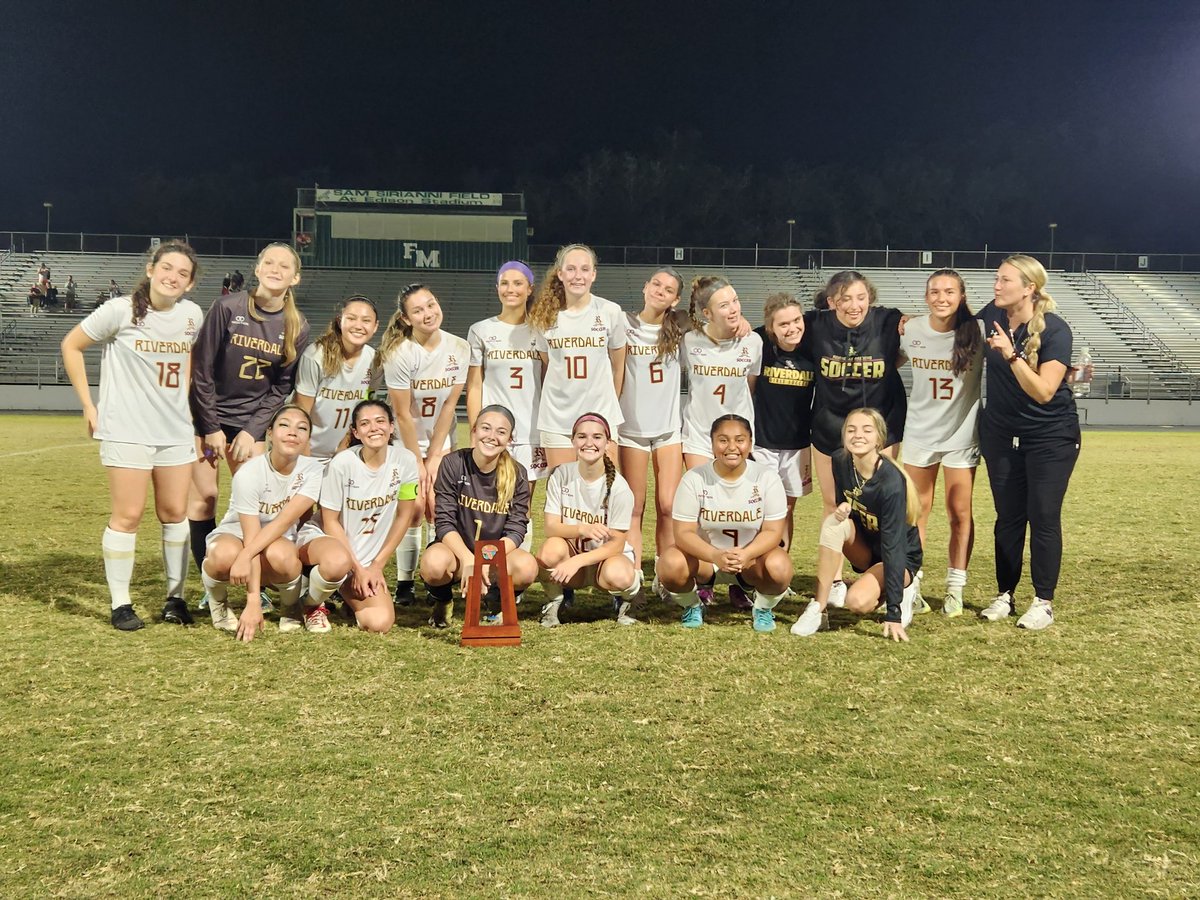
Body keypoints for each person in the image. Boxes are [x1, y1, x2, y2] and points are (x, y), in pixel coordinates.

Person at [59, 240, 204, 631]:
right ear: (151, 268)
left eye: (182, 273)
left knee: (175, 514)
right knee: (128, 515)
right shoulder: (119, 310)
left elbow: (188, 364)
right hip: (127, 429)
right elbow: (71, 345)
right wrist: (90, 406)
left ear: (190, 284)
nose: (173, 277)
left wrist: (191, 415)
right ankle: (121, 603)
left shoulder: (192, 315)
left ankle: (176, 598)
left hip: (174, 431)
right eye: (167, 268)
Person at [188, 242, 310, 604]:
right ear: (257, 269)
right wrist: (211, 426)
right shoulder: (227, 307)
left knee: (257, 505)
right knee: (204, 500)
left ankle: (260, 583)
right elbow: (202, 370)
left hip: (251, 423)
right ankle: (209, 585)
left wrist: (251, 430)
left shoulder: (296, 325)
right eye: (269, 263)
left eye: (284, 266)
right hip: (207, 417)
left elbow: (281, 387)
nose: (275, 269)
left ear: (295, 277)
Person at [976, 255, 1080, 631]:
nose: (996, 286)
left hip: (1050, 436)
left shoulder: (1055, 330)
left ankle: (1043, 602)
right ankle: (1005, 594)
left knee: (1044, 516)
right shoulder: (993, 313)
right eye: (997, 279)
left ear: (1028, 288)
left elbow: (1044, 391)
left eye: (1004, 280)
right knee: (1008, 518)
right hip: (1002, 435)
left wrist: (1012, 355)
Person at [791, 408, 923, 642]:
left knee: (857, 602)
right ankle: (818, 609)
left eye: (867, 430)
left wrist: (894, 612)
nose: (858, 435)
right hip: (866, 549)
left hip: (897, 557)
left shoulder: (891, 482)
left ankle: (905, 590)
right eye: (851, 430)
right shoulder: (840, 460)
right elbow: (849, 499)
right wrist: (843, 508)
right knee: (833, 523)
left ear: (879, 440)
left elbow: (893, 547)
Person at [656, 414, 793, 632]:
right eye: (723, 440)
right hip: (706, 561)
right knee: (670, 563)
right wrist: (714, 556)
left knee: (780, 566)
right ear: (712, 444)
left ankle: (763, 608)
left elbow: (773, 531)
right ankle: (692, 605)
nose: (732, 447)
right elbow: (683, 533)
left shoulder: (767, 478)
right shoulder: (694, 478)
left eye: (739, 440)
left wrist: (747, 554)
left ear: (750, 443)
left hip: (749, 561)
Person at [380, 283, 470, 605]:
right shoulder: (399, 354)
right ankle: (404, 582)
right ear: (406, 319)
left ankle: (436, 581)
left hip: (442, 443)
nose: (428, 313)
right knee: (414, 507)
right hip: (407, 445)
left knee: (438, 505)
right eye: (418, 310)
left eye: (430, 305)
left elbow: (449, 406)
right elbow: (403, 415)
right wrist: (416, 461)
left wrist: (434, 458)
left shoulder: (459, 347)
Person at [200, 405, 324, 641]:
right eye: (284, 425)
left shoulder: (313, 471)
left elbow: (283, 522)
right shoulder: (249, 472)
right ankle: (217, 602)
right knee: (222, 555)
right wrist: (253, 599)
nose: (292, 432)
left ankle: (290, 607)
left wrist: (247, 557)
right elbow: (251, 535)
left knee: (283, 557)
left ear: (308, 437)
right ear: (269, 432)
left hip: (278, 536)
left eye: (302, 428)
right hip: (239, 533)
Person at [899, 269, 982, 617]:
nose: (941, 297)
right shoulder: (911, 329)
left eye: (949, 291)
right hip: (919, 432)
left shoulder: (975, 332)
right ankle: (913, 584)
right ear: (925, 296)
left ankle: (955, 588)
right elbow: (889, 362)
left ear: (961, 296)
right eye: (934, 291)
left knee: (959, 513)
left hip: (961, 436)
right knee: (917, 513)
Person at [297, 399, 420, 634]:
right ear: (355, 432)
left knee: (378, 623)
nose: (374, 428)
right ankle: (310, 604)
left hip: (365, 562)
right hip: (326, 543)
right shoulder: (342, 463)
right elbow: (330, 520)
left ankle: (337, 590)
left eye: (380, 421)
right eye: (364, 423)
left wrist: (376, 566)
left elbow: (404, 516)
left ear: (392, 426)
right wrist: (357, 569)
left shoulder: (405, 461)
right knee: (337, 562)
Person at [419, 405, 538, 628]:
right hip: (457, 552)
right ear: (473, 430)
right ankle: (443, 601)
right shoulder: (453, 463)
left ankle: (495, 603)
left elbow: (516, 529)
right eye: (486, 428)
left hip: (494, 555)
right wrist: (467, 558)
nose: (492, 437)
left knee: (527, 567)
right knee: (433, 564)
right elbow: (443, 522)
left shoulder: (517, 473)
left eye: (501, 432)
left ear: (509, 439)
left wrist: (486, 559)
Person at [805, 270, 907, 518]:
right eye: (845, 298)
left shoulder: (888, 322)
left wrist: (910, 320)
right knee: (833, 505)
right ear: (831, 302)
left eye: (861, 297)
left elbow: (921, 332)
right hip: (830, 426)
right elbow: (777, 329)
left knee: (879, 504)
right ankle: (831, 556)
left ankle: (880, 558)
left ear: (869, 298)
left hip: (881, 425)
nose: (854, 306)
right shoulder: (814, 324)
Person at [466, 260, 548, 544]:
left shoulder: (543, 331)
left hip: (530, 432)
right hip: (493, 434)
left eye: (517, 283)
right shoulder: (480, 330)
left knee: (521, 507)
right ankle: (486, 571)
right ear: (497, 287)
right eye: (504, 283)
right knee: (489, 504)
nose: (510, 289)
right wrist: (477, 427)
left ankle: (517, 577)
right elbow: (474, 383)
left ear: (529, 289)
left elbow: (549, 382)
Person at [537, 413, 641, 628]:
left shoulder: (619, 488)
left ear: (608, 443)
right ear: (573, 441)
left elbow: (617, 544)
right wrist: (581, 529)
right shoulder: (561, 474)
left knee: (618, 575)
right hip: (574, 558)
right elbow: (550, 527)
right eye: (582, 437)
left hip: (605, 562)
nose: (589, 443)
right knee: (549, 551)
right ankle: (555, 601)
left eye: (597, 437)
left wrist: (577, 561)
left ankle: (628, 598)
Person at [528, 244, 626, 468]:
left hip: (601, 416)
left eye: (584, 269)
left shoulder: (610, 312)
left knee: (602, 494)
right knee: (563, 492)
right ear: (560, 274)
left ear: (593, 274)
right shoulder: (546, 315)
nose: (577, 276)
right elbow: (548, 362)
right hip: (557, 418)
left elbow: (618, 366)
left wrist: (607, 405)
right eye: (571, 269)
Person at [617, 267, 687, 575]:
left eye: (668, 289)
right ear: (645, 288)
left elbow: (715, 321)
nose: (660, 290)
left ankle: (665, 572)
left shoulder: (682, 328)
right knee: (634, 507)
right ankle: (633, 573)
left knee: (669, 506)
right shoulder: (622, 323)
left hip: (668, 430)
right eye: (656, 284)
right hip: (631, 430)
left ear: (676, 299)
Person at [751, 292, 815, 552]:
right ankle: (754, 567)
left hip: (798, 444)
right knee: (760, 509)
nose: (793, 328)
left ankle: (780, 567)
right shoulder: (759, 344)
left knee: (787, 508)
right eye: (784, 324)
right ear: (771, 328)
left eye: (797, 320)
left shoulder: (813, 348)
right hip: (762, 443)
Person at [680, 276, 762, 471]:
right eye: (724, 305)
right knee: (704, 497)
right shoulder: (689, 341)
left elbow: (750, 386)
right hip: (699, 436)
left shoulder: (753, 342)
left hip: (737, 435)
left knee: (734, 499)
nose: (734, 309)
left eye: (735, 300)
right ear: (707, 313)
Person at [293, 295, 379, 464]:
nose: (358, 326)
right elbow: (300, 414)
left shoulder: (375, 361)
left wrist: (346, 445)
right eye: (351, 318)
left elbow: (364, 407)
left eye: (366, 320)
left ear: (375, 327)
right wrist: (305, 462)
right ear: (340, 321)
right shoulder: (316, 356)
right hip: (307, 452)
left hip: (345, 454)